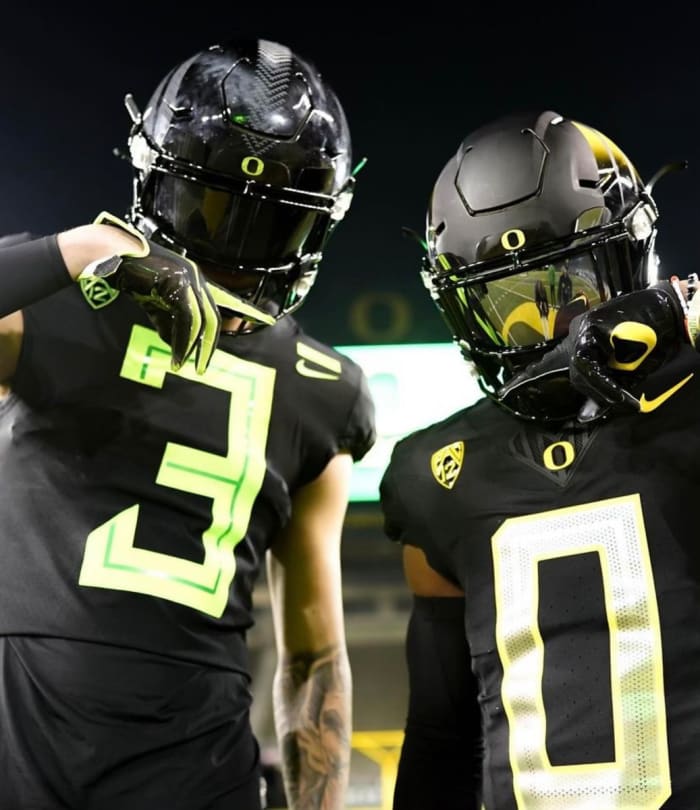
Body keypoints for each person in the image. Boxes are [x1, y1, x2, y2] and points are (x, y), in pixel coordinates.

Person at [0, 38, 375, 810]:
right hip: (42, 741)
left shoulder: (327, 390)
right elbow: (314, 665)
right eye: (214, 207)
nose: (236, 250)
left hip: (189, 758)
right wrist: (90, 248)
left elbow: (314, 655)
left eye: (271, 224)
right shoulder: (55, 302)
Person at [379, 109, 699, 808]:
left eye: (575, 284)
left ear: (632, 261)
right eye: (509, 303)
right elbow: (441, 736)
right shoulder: (435, 472)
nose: (551, 327)